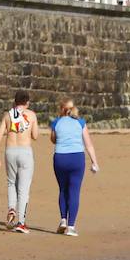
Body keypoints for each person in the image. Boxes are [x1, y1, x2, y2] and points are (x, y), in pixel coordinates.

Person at [50, 99, 99, 236]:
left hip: (60, 158)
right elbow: (88, 144)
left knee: (63, 189)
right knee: (74, 191)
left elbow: (53, 139)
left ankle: (63, 220)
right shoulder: (80, 122)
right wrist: (94, 162)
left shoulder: (56, 122)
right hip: (77, 158)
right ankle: (71, 227)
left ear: (61, 109)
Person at [0, 91, 38, 233]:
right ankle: (21, 223)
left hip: (10, 151)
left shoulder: (7, 115)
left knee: (11, 182)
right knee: (24, 188)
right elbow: (35, 136)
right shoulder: (31, 115)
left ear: (15, 102)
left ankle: (12, 209)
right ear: (27, 102)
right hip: (25, 151)